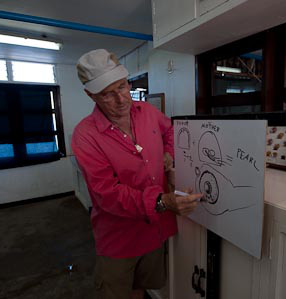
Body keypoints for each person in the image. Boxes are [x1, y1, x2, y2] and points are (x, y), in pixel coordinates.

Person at [72, 49, 202, 299]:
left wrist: (168, 153)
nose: (121, 99)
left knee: (140, 289)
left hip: (154, 231)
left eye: (122, 87)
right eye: (107, 94)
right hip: (119, 239)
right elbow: (107, 195)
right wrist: (162, 201)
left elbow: (171, 131)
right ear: (90, 95)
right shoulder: (86, 136)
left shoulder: (147, 112)